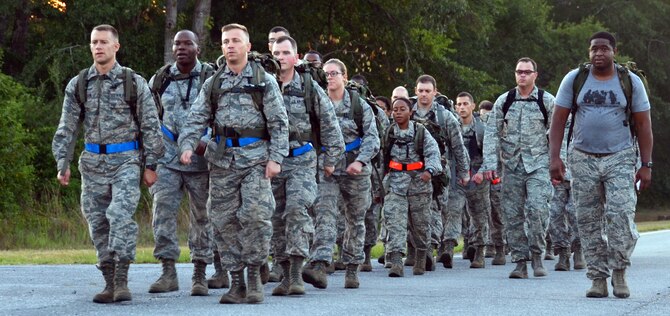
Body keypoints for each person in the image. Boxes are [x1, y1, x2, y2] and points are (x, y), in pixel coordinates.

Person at [52, 24, 163, 303]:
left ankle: (122, 279)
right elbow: (67, 127)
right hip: (92, 163)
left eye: (103, 42)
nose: (98, 47)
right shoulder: (78, 84)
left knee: (119, 216)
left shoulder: (131, 82)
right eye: (93, 42)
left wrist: (151, 165)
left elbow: (150, 126)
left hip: (126, 160)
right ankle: (109, 280)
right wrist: (62, 162)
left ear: (116, 46)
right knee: (97, 222)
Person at [178, 23, 289, 304]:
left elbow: (279, 123)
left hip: (256, 160)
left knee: (254, 217)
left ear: (248, 47)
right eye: (226, 41)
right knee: (223, 221)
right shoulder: (214, 82)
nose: (230, 46)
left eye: (236, 41)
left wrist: (276, 158)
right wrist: (187, 145)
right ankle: (236, 281)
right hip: (223, 162)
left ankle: (254, 277)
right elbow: (196, 117)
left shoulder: (264, 81)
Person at [549, 31, 653, 298]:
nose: (598, 53)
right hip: (582, 158)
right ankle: (597, 278)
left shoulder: (630, 81)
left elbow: (643, 124)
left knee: (620, 217)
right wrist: (555, 158)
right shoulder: (575, 79)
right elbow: (558, 120)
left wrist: (646, 164)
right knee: (588, 221)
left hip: (620, 157)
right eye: (594, 49)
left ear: (614, 52)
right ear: (589, 52)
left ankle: (619, 272)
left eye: (604, 49)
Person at [269, 35, 344, 296]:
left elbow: (330, 125)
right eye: (276, 52)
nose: (281, 57)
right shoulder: (265, 85)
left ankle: (295, 273)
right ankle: (282, 268)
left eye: (286, 52)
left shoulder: (309, 86)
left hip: (302, 159)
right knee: (276, 217)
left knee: (297, 211)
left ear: (296, 57)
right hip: (272, 161)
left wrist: (330, 160)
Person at [147, 30, 215, 296]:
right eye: (177, 44)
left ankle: (199, 273)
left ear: (198, 48)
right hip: (167, 158)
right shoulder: (161, 79)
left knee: (203, 216)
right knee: (162, 213)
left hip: (201, 160)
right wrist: (150, 162)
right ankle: (168, 271)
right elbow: (150, 120)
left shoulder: (211, 78)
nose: (181, 48)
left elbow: (222, 115)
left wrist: (206, 142)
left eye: (187, 43)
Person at [302, 58, 380, 289]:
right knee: (324, 212)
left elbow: (372, 138)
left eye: (334, 73)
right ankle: (319, 263)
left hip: (355, 167)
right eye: (326, 73)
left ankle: (352, 266)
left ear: (345, 77)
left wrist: (360, 161)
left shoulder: (359, 105)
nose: (330, 77)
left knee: (355, 219)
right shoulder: (317, 103)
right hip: (327, 166)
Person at [482, 57, 554, 279]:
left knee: (537, 210)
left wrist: (559, 163)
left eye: (526, 72)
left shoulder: (547, 101)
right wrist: (490, 163)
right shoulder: (505, 101)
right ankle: (520, 262)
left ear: (535, 75)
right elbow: (492, 132)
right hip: (512, 165)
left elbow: (558, 133)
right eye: (518, 72)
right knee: (512, 216)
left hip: (539, 166)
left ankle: (537, 255)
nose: (522, 75)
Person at [412, 75, 470, 271]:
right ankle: (419, 248)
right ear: (415, 91)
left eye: (428, 91)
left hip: (438, 172)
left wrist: (463, 172)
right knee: (415, 213)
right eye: (420, 90)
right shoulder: (407, 113)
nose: (424, 94)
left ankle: (430, 247)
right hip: (412, 171)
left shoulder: (446, 117)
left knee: (435, 209)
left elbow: (458, 147)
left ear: (435, 93)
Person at [383, 97, 442, 277]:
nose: (398, 113)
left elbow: (433, 153)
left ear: (411, 112)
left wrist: (429, 171)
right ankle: (396, 262)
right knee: (395, 223)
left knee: (421, 224)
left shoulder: (421, 132)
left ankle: (422, 256)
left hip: (419, 184)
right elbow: (381, 158)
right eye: (395, 110)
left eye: (402, 109)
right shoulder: (389, 133)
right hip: (395, 184)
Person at [449, 92, 491, 269]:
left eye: (465, 104)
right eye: (458, 104)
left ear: (473, 106)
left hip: (477, 176)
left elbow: (490, 154)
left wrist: (481, 173)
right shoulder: (452, 126)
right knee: (452, 210)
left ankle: (479, 250)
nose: (461, 107)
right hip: (457, 177)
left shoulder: (482, 128)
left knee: (478, 214)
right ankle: (448, 248)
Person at [548, 114, 585, 272]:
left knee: (574, 213)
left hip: (579, 175)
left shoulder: (585, 119)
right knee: (554, 214)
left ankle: (578, 250)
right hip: (557, 177)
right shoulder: (555, 120)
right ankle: (562, 252)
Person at [478, 100, 506, 265]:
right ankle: (484, 245)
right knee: (482, 211)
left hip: (497, 174)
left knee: (497, 212)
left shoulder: (502, 127)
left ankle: (499, 247)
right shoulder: (478, 127)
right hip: (480, 173)